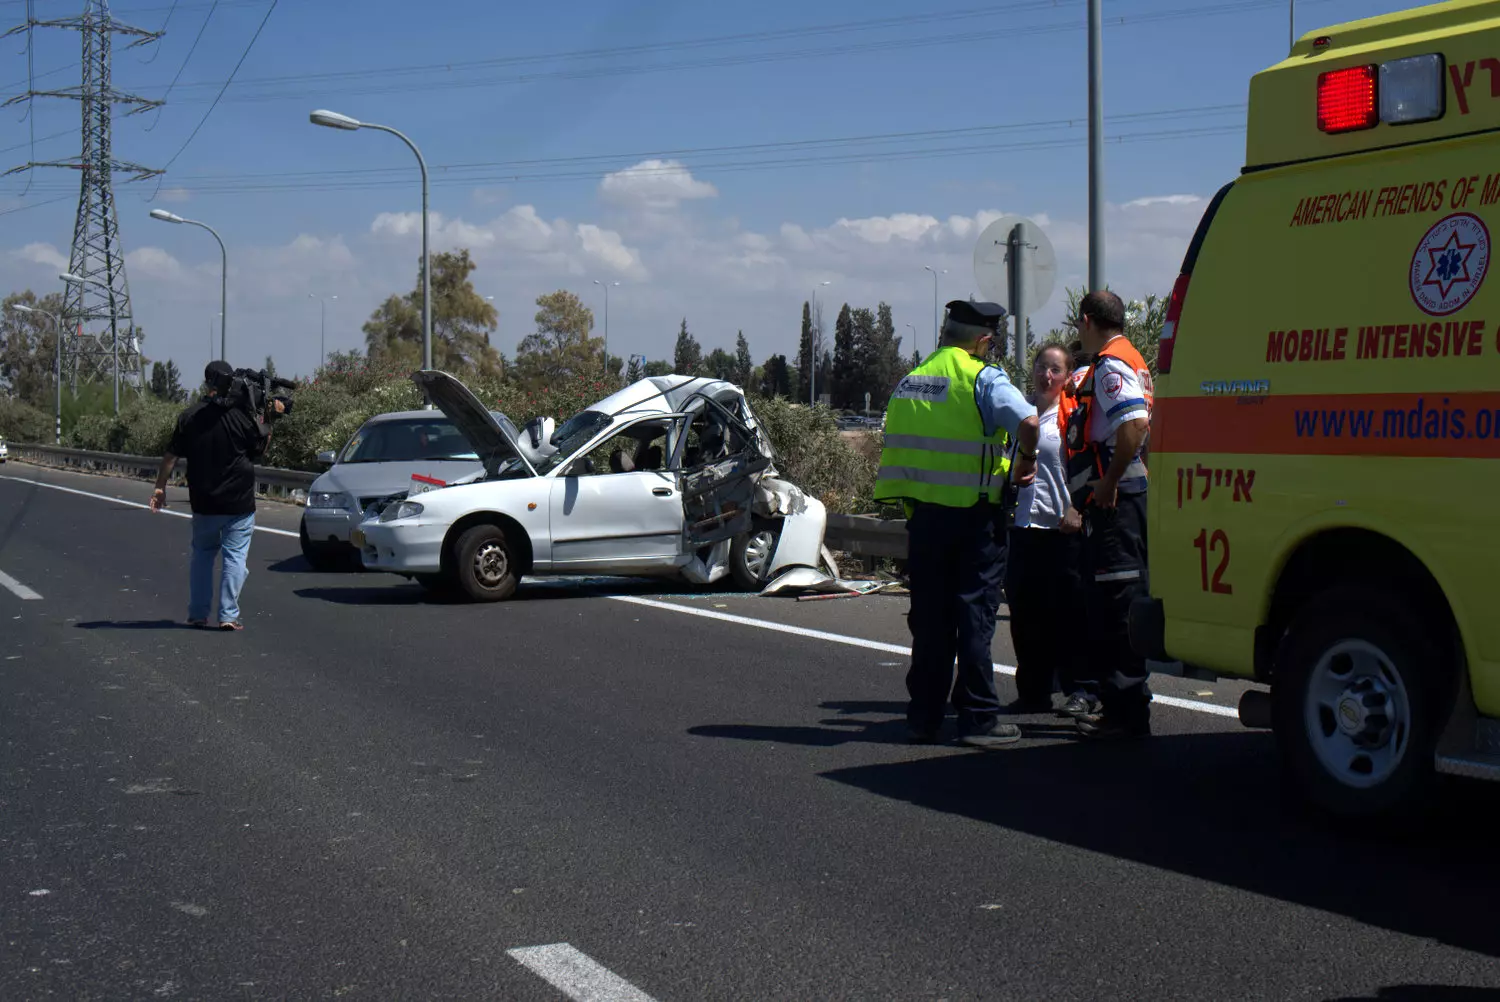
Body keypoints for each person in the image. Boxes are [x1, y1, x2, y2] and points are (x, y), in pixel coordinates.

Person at [875, 300, 1040, 749]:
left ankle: (923, 717)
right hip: (975, 519)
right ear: (983, 340)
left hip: (925, 520)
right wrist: (1024, 462)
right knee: (974, 616)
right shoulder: (982, 377)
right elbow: (1029, 421)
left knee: (930, 620)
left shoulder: (912, 380)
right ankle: (978, 719)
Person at [1059, 290, 1154, 738]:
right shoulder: (1126, 358)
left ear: (1086, 320)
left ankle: (1127, 714)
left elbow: (1135, 424)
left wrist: (1110, 480)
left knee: (1118, 604)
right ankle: (1120, 708)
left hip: (1120, 501)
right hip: (1119, 499)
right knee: (1112, 599)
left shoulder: (1111, 365)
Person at [149, 361, 284, 631]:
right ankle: (228, 616)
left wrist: (160, 487)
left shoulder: (189, 416)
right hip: (239, 502)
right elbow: (259, 450)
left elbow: (170, 456)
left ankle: (198, 613)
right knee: (235, 558)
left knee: (202, 555)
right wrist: (270, 419)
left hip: (203, 501)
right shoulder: (241, 416)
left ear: (207, 382)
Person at [1001, 344, 1086, 713]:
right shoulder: (1020, 415)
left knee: (1068, 615)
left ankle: (1079, 689)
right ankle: (1033, 691)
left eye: (1055, 370)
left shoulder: (1072, 416)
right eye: (1041, 367)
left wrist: (1077, 508)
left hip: (1061, 530)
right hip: (1023, 527)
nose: (1046, 376)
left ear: (1067, 378)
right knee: (1024, 614)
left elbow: (1087, 467)